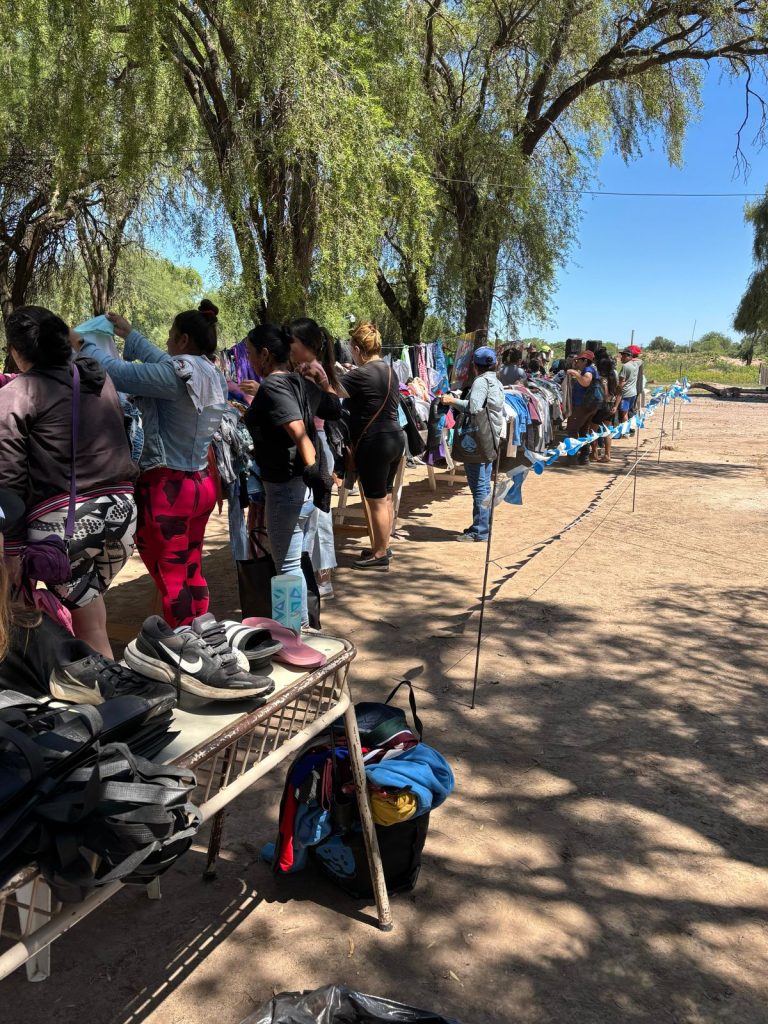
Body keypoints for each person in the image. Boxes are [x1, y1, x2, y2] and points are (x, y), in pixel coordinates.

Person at [79, 300, 228, 628]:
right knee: (191, 569)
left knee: (171, 578)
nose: (166, 344)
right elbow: (164, 363)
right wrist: (131, 335)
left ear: (184, 340)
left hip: (168, 490)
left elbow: (115, 371)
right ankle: (203, 636)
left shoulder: (174, 376)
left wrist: (83, 344)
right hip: (201, 483)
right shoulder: (209, 372)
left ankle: (186, 648)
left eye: (171, 337)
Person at [0, 306, 138, 658]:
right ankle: (106, 686)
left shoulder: (17, 394)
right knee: (91, 612)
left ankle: (113, 698)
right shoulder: (99, 379)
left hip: (66, 530)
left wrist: (13, 551)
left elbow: (9, 480)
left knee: (87, 629)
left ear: (16, 351)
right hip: (123, 517)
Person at [244, 325, 341, 624]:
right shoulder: (299, 382)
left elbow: (299, 432)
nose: (249, 360)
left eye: (249, 353)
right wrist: (322, 382)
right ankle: (301, 629)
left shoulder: (275, 386)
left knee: (286, 567)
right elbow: (335, 407)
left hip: (286, 488)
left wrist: (315, 470)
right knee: (294, 563)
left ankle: (295, 634)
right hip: (297, 489)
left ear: (264, 354)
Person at [342, 322, 406, 571]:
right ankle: (383, 545)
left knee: (376, 499)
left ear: (358, 349)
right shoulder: (391, 371)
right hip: (395, 438)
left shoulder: (359, 374)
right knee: (386, 496)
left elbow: (330, 393)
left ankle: (380, 554)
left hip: (374, 442)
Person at [288, 317, 340, 598]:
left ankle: (320, 579)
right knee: (316, 514)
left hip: (314, 444)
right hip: (316, 444)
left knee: (316, 516)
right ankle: (319, 578)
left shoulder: (310, 371)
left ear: (307, 346)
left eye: (292, 342)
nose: (288, 347)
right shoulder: (310, 369)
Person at [441, 347, 505, 542]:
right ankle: (481, 526)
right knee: (484, 486)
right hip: (490, 438)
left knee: (479, 487)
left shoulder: (481, 381)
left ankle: (479, 530)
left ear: (475, 366)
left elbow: (474, 407)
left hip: (478, 439)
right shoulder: (496, 382)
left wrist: (452, 401)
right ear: (495, 364)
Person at [565, 349, 601, 467]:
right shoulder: (590, 369)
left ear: (585, 361)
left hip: (582, 406)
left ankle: (572, 458)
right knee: (583, 431)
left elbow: (586, 381)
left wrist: (575, 373)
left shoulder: (588, 370)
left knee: (572, 430)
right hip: (588, 406)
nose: (577, 363)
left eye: (579, 361)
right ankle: (584, 457)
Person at [589, 352, 620, 463]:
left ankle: (594, 453)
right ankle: (607, 454)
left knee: (593, 430)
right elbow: (619, 392)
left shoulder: (603, 379)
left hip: (602, 406)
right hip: (611, 406)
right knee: (607, 431)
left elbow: (605, 393)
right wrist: (616, 406)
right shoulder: (614, 377)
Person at [617, 346, 642, 424]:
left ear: (629, 357)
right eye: (622, 356)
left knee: (624, 414)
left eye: (624, 356)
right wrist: (632, 358)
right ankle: (628, 429)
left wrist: (617, 392)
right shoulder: (636, 364)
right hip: (633, 393)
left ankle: (625, 432)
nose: (622, 358)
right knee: (628, 412)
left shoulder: (625, 366)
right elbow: (640, 360)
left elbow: (621, 383)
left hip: (625, 394)